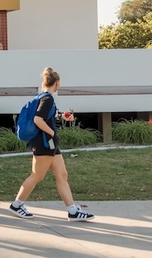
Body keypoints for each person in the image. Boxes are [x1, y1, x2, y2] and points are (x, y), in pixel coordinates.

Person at [9, 68, 95, 222]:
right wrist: (52, 133)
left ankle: (73, 211)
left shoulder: (42, 97)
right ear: (57, 83)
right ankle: (17, 205)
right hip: (44, 143)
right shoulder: (47, 99)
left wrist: (62, 116)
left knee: (62, 175)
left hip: (49, 144)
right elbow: (38, 120)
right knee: (37, 176)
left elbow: (46, 116)